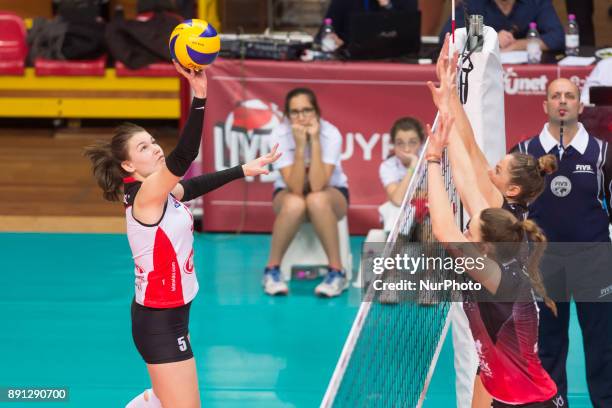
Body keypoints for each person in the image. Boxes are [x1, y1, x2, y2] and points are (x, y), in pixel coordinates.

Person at [84, 63, 280, 408]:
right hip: (159, 321)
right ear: (128, 166)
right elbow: (186, 156)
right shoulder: (146, 196)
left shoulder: (162, 190)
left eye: (153, 141)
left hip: (172, 312)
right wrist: (200, 97)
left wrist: (243, 170)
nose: (156, 148)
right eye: (144, 148)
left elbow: (190, 186)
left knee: (168, 400)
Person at [428, 35, 558, 407]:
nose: (489, 167)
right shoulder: (502, 219)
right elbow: (469, 147)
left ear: (512, 190)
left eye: (498, 168)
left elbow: (447, 225)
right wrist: (449, 95)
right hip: (506, 380)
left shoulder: (492, 214)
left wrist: (435, 158)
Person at [513, 77, 612, 407]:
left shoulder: (603, 154)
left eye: (570, 95)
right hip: (544, 263)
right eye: (555, 95)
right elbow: (509, 206)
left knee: (602, 344)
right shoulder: (525, 154)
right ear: (545, 105)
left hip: (595, 261)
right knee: (549, 344)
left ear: (581, 106)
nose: (562, 101)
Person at [263, 88, 350, 297]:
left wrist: (316, 141)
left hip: (332, 194)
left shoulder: (331, 134)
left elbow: (319, 185)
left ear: (317, 111)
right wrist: (301, 147)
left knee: (317, 199)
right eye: (295, 112)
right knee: (295, 203)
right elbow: (295, 187)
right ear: (287, 115)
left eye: (307, 110)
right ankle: (272, 270)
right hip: (288, 193)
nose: (301, 117)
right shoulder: (279, 135)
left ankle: (337, 272)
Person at [439, 0, 565, 52]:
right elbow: (449, 38)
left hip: (527, 73)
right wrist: (490, 40)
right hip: (480, 73)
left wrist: (518, 45)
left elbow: (558, 37)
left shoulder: (535, 2)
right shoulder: (474, 3)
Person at [319, 0, 418, 48]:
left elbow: (409, 36)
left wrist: (387, 6)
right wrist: (332, 39)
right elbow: (323, 34)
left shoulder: (406, 1)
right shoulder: (343, 2)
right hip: (351, 59)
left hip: (396, 59)